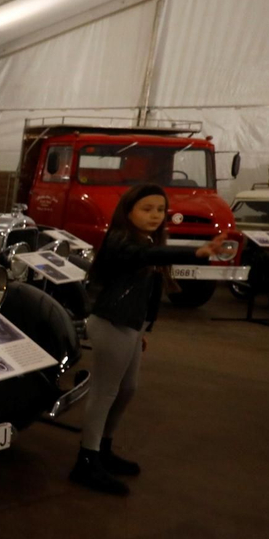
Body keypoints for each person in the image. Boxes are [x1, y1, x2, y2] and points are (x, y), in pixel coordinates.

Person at [71, 184, 228, 494]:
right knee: (105, 392)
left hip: (130, 326)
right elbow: (143, 256)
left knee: (127, 389)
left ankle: (103, 450)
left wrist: (141, 331)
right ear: (128, 212)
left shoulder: (145, 239)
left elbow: (145, 289)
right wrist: (197, 252)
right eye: (147, 209)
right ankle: (86, 462)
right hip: (111, 322)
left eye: (160, 209)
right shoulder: (122, 241)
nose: (155, 215)